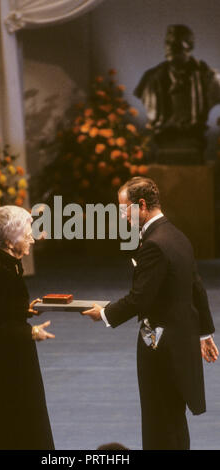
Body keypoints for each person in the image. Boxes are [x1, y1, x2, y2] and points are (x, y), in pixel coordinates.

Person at [83, 177, 218, 450]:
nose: (121, 215)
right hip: (180, 341)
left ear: (141, 205)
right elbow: (196, 287)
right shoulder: (178, 235)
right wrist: (206, 333)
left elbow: (139, 298)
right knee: (173, 418)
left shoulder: (154, 243)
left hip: (159, 346)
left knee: (159, 420)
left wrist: (105, 314)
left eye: (123, 209)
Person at [0, 205, 55, 450]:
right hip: (8, 364)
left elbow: (3, 309)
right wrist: (30, 331)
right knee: (12, 421)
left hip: (16, 357)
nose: (32, 237)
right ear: (10, 239)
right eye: (27, 232)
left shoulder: (10, 265)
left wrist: (24, 310)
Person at [134, 25, 220, 163]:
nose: (170, 47)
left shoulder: (209, 78)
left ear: (189, 47)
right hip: (165, 138)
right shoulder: (150, 79)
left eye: (176, 43)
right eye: (167, 42)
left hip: (194, 140)